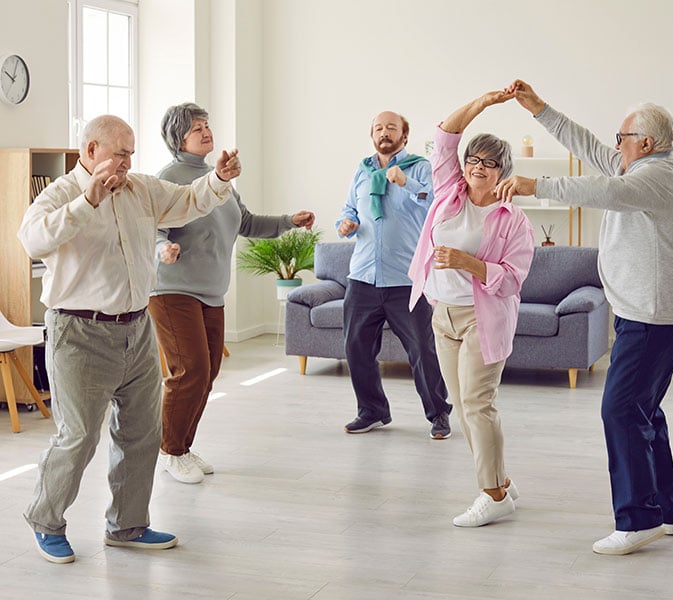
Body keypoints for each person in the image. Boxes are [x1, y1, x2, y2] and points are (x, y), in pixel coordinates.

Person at [17, 114, 241, 564]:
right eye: (119, 154)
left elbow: (188, 200)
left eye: (131, 152)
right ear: (91, 151)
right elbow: (33, 240)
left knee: (141, 432)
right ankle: (46, 521)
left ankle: (127, 524)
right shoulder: (60, 193)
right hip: (79, 333)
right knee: (78, 437)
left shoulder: (141, 188)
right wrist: (88, 200)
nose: (127, 161)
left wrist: (217, 178)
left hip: (137, 328)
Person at [496, 79, 673, 554]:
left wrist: (534, 184)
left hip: (653, 318)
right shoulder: (643, 168)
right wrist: (539, 108)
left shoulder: (658, 177)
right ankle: (665, 511)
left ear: (645, 143)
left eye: (622, 137)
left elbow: (601, 188)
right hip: (651, 314)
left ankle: (638, 520)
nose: (615, 145)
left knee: (619, 409)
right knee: (644, 410)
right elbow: (588, 147)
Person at [151, 102, 315, 484]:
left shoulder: (217, 177)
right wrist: (162, 247)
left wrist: (290, 222)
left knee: (207, 373)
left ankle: (182, 446)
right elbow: (153, 225)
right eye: (197, 128)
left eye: (207, 125)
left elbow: (246, 222)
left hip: (210, 291)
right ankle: (169, 450)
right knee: (188, 371)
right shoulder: (168, 177)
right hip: (173, 289)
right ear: (179, 137)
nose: (207, 132)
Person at [408, 90, 534, 527]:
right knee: (462, 408)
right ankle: (500, 477)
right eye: (473, 160)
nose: (478, 168)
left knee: (478, 405)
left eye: (489, 163)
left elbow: (514, 279)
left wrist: (469, 263)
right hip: (441, 313)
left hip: (484, 318)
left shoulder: (512, 220)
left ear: (504, 172)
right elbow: (445, 135)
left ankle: (493, 493)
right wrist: (483, 102)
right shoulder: (448, 192)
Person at [337, 111, 451, 438]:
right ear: (372, 135)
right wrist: (345, 225)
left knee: (422, 349)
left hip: (405, 279)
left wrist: (406, 182)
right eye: (378, 128)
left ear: (404, 135)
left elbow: (437, 204)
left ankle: (438, 413)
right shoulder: (362, 171)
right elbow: (349, 211)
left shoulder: (420, 168)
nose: (384, 132)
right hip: (362, 276)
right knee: (356, 348)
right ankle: (371, 411)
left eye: (391, 128)